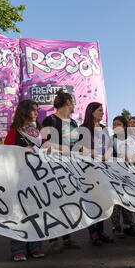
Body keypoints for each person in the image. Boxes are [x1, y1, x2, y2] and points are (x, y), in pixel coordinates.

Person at [4, 99, 45, 261]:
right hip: (19, 176)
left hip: (39, 176)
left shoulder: (41, 130)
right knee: (19, 213)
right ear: (24, 111)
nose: (36, 113)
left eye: (37, 109)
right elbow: (5, 153)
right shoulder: (14, 131)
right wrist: (22, 150)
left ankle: (36, 246)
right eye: (33, 110)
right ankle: (18, 248)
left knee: (37, 211)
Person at [41, 88, 81, 252]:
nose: (74, 105)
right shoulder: (49, 120)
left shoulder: (72, 123)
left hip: (69, 166)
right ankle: (52, 235)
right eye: (73, 102)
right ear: (67, 103)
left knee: (68, 200)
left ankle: (67, 236)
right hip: (51, 167)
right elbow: (43, 143)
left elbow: (75, 145)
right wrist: (61, 147)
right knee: (53, 200)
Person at [81, 102, 113, 245]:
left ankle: (101, 229)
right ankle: (92, 231)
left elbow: (111, 146)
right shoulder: (83, 128)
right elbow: (79, 148)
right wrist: (94, 153)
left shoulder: (104, 129)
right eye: (100, 110)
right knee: (90, 199)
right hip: (88, 169)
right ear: (92, 111)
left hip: (103, 168)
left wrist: (107, 154)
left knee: (102, 198)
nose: (102, 113)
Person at [110, 116, 135, 238]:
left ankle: (129, 225)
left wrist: (134, 158)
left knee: (128, 198)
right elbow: (107, 155)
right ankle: (116, 226)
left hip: (130, 174)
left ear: (124, 126)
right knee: (116, 201)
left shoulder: (133, 139)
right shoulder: (112, 140)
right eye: (114, 124)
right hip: (115, 174)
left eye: (118, 124)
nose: (116, 126)